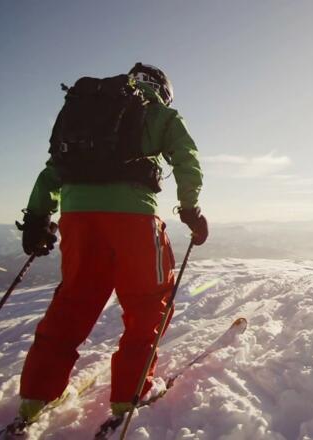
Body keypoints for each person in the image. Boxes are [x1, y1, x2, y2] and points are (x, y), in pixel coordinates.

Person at [13, 63, 209, 426]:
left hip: (77, 219)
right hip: (133, 220)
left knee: (73, 300)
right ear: (162, 89)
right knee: (147, 305)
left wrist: (39, 217)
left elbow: (53, 169)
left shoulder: (87, 112)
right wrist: (190, 207)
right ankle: (128, 398)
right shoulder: (159, 113)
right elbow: (186, 159)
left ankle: (35, 398)